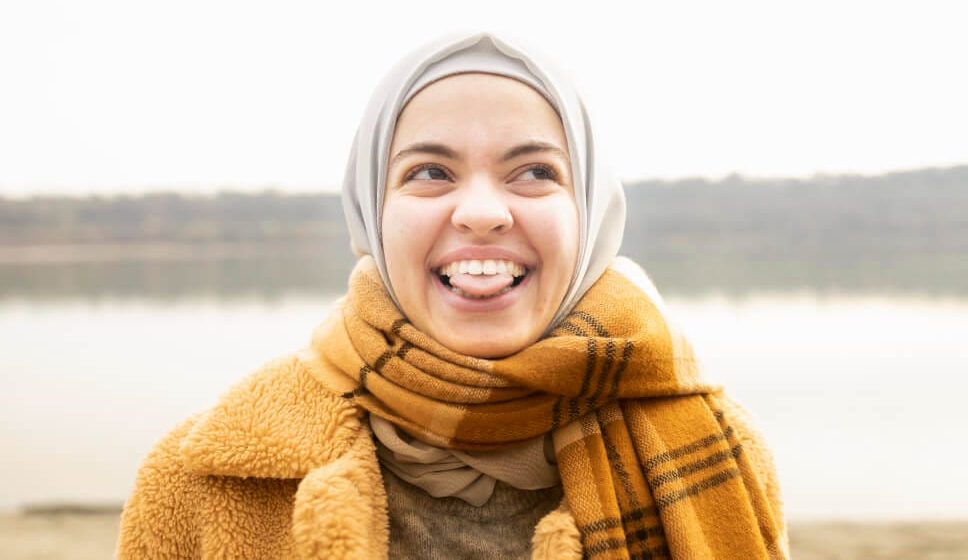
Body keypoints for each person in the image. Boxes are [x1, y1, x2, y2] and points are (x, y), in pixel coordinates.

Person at [117, 32, 788, 559]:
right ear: (372, 213)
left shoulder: (721, 445)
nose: (482, 212)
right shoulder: (200, 474)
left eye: (534, 170)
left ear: (590, 214)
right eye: (431, 171)